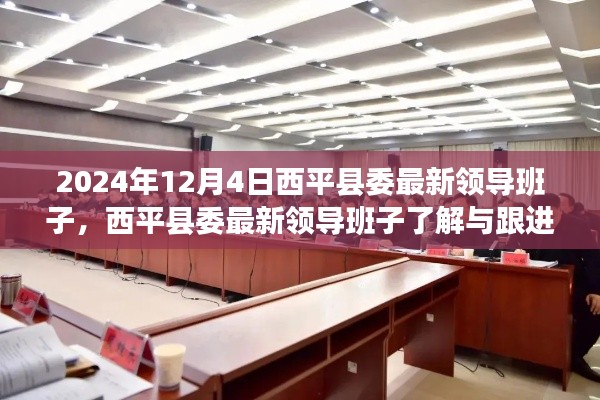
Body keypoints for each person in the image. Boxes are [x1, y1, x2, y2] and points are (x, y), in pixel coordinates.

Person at [512, 193, 600, 382]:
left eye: (551, 215)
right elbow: (512, 248)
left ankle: (574, 357)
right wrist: (516, 252)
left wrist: (596, 290)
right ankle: (524, 352)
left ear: (560, 210)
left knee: (594, 311)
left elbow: (594, 260)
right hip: (537, 282)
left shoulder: (577, 226)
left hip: (573, 283)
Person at [429, 193, 494, 249]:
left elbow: (491, 247)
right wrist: (442, 246)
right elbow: (432, 241)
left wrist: (464, 251)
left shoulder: (487, 224)